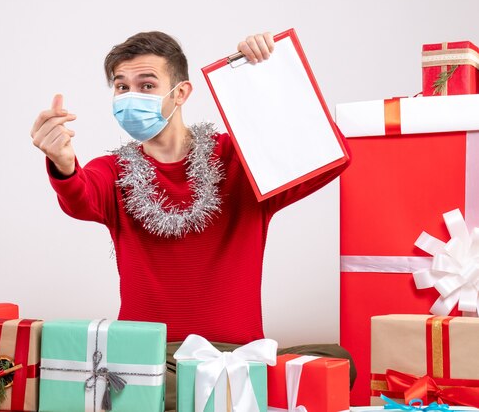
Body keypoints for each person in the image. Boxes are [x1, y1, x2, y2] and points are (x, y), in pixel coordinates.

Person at [31, 31, 354, 410]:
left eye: (146, 84)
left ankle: (209, 391)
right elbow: (80, 195)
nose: (131, 96)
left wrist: (267, 79)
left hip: (238, 355)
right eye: (122, 87)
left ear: (181, 93)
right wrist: (63, 163)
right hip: (153, 360)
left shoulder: (240, 159)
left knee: (337, 362)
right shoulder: (113, 171)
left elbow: (329, 157)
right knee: (142, 387)